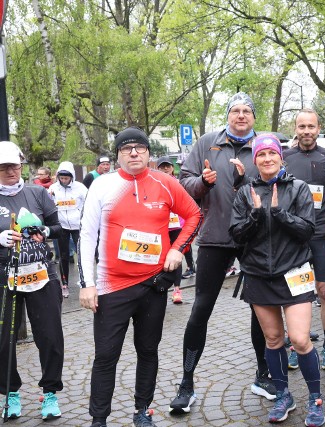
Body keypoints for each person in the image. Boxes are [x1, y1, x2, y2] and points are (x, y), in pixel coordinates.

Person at [78, 127, 202, 427]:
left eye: (140, 147)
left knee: (148, 351)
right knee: (106, 356)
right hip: (111, 287)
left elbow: (195, 214)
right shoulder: (102, 185)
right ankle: (99, 420)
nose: (133, 152)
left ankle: (142, 411)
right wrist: (88, 284)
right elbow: (87, 235)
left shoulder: (165, 182)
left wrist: (177, 249)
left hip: (152, 286)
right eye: (126, 148)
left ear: (148, 152)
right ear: (118, 154)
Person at [172, 92, 277, 413]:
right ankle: (186, 382)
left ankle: (263, 374)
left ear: (254, 117)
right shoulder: (206, 143)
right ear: (228, 114)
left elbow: (275, 184)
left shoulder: (264, 145)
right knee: (200, 308)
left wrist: (248, 181)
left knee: (260, 310)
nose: (241, 115)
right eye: (236, 110)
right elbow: (183, 182)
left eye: (247, 110)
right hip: (215, 236)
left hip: (253, 240)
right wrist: (203, 182)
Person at [230, 133, 325, 426]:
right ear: (255, 159)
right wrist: (256, 215)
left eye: (272, 154)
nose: (267, 159)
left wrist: (279, 213)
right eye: (261, 155)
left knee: (298, 339)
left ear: (281, 158)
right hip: (258, 275)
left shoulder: (298, 188)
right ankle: (283, 395)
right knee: (273, 340)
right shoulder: (245, 193)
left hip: (294, 273)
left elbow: (307, 230)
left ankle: (315, 399)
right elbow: (235, 235)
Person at [0, 141, 64, 420]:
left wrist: (46, 231)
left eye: (14, 165)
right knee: (3, 340)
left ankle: (50, 394)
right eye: (4, 167)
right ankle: (10, 393)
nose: (11, 170)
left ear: (22, 166)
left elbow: (61, 228)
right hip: (5, 278)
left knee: (50, 336)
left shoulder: (38, 193)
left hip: (41, 275)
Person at [283, 109, 325, 370]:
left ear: (319, 129)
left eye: (311, 126)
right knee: (296, 292)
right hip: (294, 235)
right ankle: (299, 343)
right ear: (296, 129)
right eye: (302, 126)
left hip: (321, 234)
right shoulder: (285, 157)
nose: (306, 131)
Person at [49, 161, 88, 298]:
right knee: (63, 255)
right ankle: (64, 284)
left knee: (81, 253)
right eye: (62, 178)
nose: (64, 180)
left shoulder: (80, 188)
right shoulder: (53, 188)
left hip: (78, 225)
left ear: (72, 176)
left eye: (67, 178)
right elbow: (48, 205)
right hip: (62, 226)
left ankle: (84, 280)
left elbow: (88, 203)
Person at [156, 156, 186, 304]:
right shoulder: (154, 184)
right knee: (160, 257)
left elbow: (187, 204)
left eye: (167, 166)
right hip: (160, 226)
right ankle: (160, 288)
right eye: (162, 167)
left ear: (172, 168)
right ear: (158, 169)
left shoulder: (179, 183)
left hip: (177, 225)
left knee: (176, 257)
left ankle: (177, 290)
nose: (165, 169)